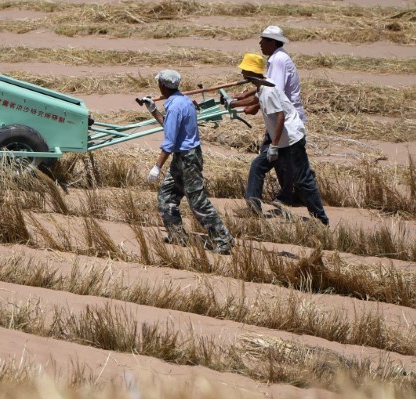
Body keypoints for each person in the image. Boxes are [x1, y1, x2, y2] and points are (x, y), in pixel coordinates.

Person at [139, 69, 234, 254]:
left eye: (159, 84)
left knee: (197, 201)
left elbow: (169, 142)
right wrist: (152, 110)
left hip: (188, 158)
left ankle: (224, 240)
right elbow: (169, 125)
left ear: (163, 86)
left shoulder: (175, 106)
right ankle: (177, 235)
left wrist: (157, 167)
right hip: (183, 157)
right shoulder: (183, 101)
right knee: (166, 197)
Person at [228, 54, 328, 225]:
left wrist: (273, 146)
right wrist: (233, 103)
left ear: (251, 72)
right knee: (257, 166)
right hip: (281, 138)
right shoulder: (263, 84)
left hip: (291, 139)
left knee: (303, 179)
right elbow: (255, 99)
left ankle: (320, 219)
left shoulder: (269, 91)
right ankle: (253, 208)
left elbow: (280, 117)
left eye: (244, 70)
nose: (242, 73)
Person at [236, 25, 305, 211]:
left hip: (285, 120)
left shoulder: (278, 60)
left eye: (263, 40)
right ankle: (293, 194)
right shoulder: (276, 58)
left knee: (264, 160)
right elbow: (264, 85)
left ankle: (257, 202)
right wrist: (242, 98)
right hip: (282, 118)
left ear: (272, 42)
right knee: (283, 160)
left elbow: (274, 91)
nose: (260, 43)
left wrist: (254, 106)